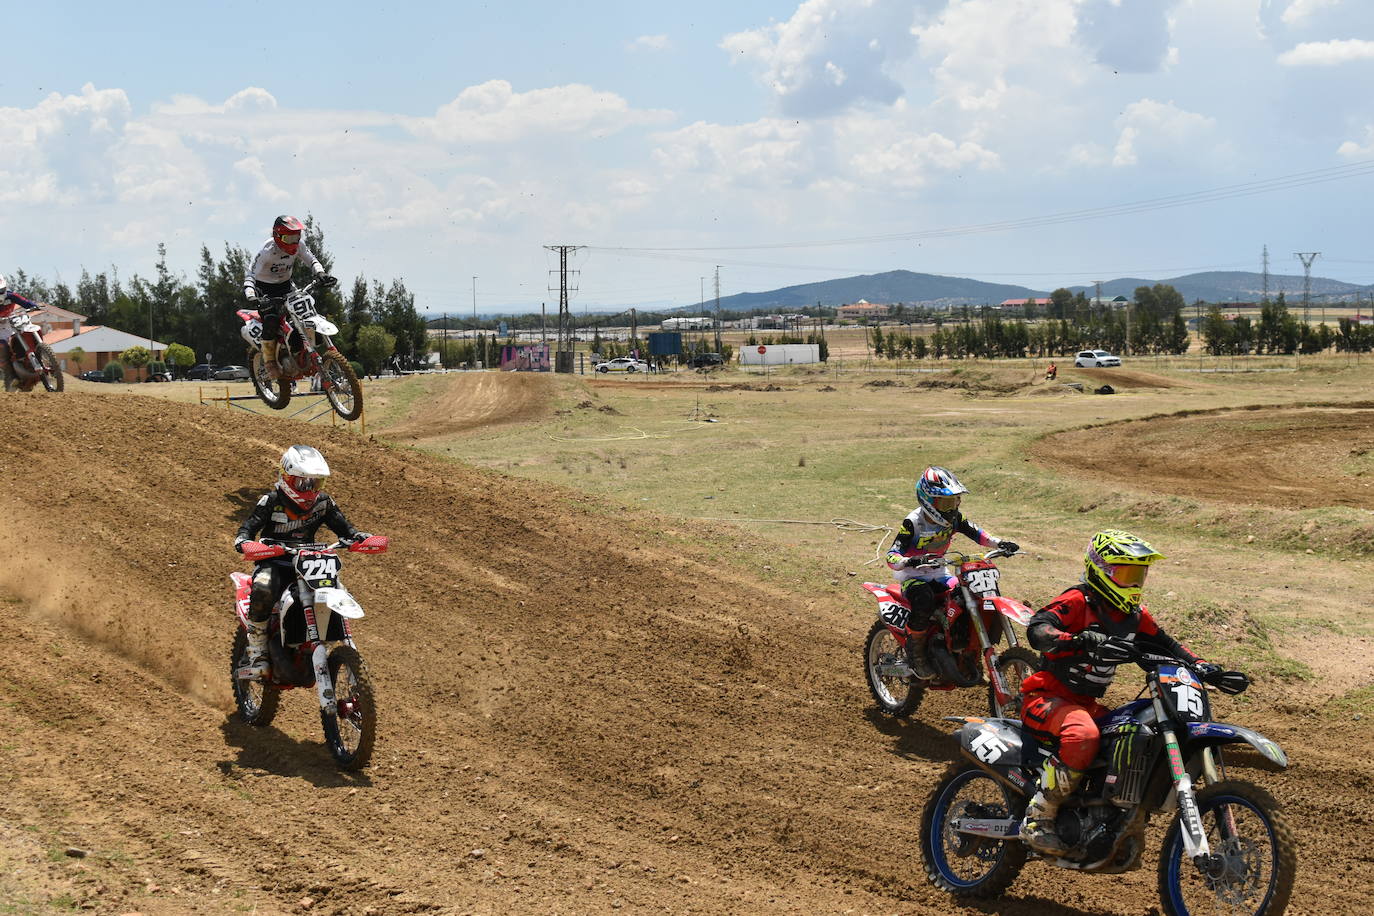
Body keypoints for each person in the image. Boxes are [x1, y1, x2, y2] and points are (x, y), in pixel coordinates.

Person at [1018, 529, 1226, 855]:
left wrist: (1205, 666)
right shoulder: (1079, 601)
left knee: (1138, 729)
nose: (1133, 583)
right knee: (1083, 736)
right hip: (1046, 697)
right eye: (1126, 573)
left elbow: (1168, 645)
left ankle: (1106, 812)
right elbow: (1038, 627)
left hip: (1086, 704)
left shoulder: (1134, 616)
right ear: (1100, 570)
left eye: (1138, 575)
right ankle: (1039, 816)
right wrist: (1074, 639)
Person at [232, 445, 369, 680]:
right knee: (263, 588)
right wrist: (244, 542)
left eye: (316, 483)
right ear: (286, 477)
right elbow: (247, 529)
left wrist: (359, 537)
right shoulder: (272, 500)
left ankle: (336, 646)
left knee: (337, 589)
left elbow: (345, 529)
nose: (311, 489)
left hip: (309, 563)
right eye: (304, 483)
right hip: (275, 561)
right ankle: (256, 652)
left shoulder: (323, 502)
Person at [885, 466, 1018, 679]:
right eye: (946, 502)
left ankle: (963, 651)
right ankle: (916, 653)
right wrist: (911, 560)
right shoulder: (913, 522)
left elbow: (978, 533)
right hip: (913, 577)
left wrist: (1000, 543)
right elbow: (891, 556)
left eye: (956, 500)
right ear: (927, 500)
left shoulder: (955, 519)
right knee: (924, 599)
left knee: (967, 597)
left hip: (941, 574)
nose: (953, 507)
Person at [242, 216, 328, 378]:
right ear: (277, 235)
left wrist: (321, 273)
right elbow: (250, 274)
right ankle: (269, 362)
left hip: (286, 286)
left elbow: (311, 260)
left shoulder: (299, 245)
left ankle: (302, 351)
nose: (293, 242)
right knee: (272, 319)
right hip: (264, 289)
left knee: (306, 312)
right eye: (289, 238)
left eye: (296, 237)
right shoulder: (266, 251)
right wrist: (251, 295)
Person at [0, 274, 45, 389]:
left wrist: (34, 306)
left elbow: (24, 301)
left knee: (24, 333)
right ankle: (12, 376)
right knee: (3, 348)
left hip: (10, 322)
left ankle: (39, 357)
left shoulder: (11, 296)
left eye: (1, 290)